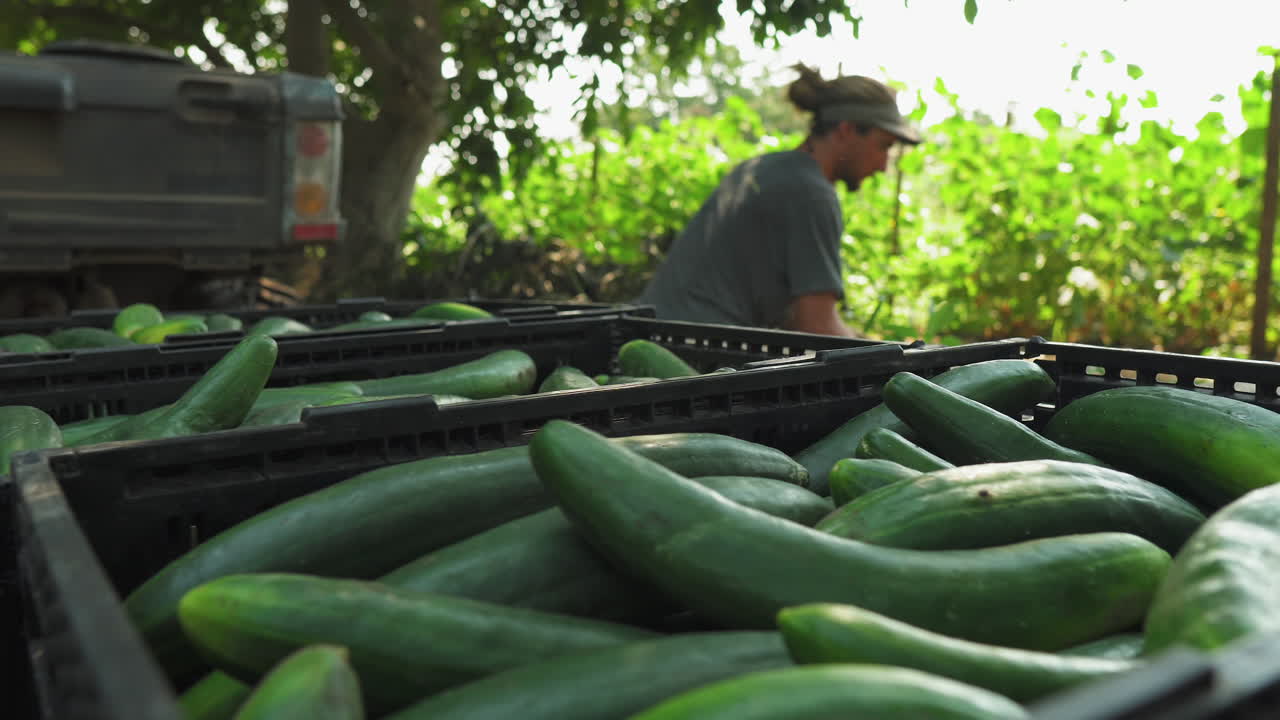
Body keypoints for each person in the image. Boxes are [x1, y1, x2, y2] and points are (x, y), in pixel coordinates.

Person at [637, 64, 922, 337]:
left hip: (652, 334)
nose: (884, 166)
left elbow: (794, 314)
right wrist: (888, 360)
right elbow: (816, 327)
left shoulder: (760, 168)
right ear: (846, 130)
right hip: (689, 359)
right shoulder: (811, 193)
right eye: (883, 146)